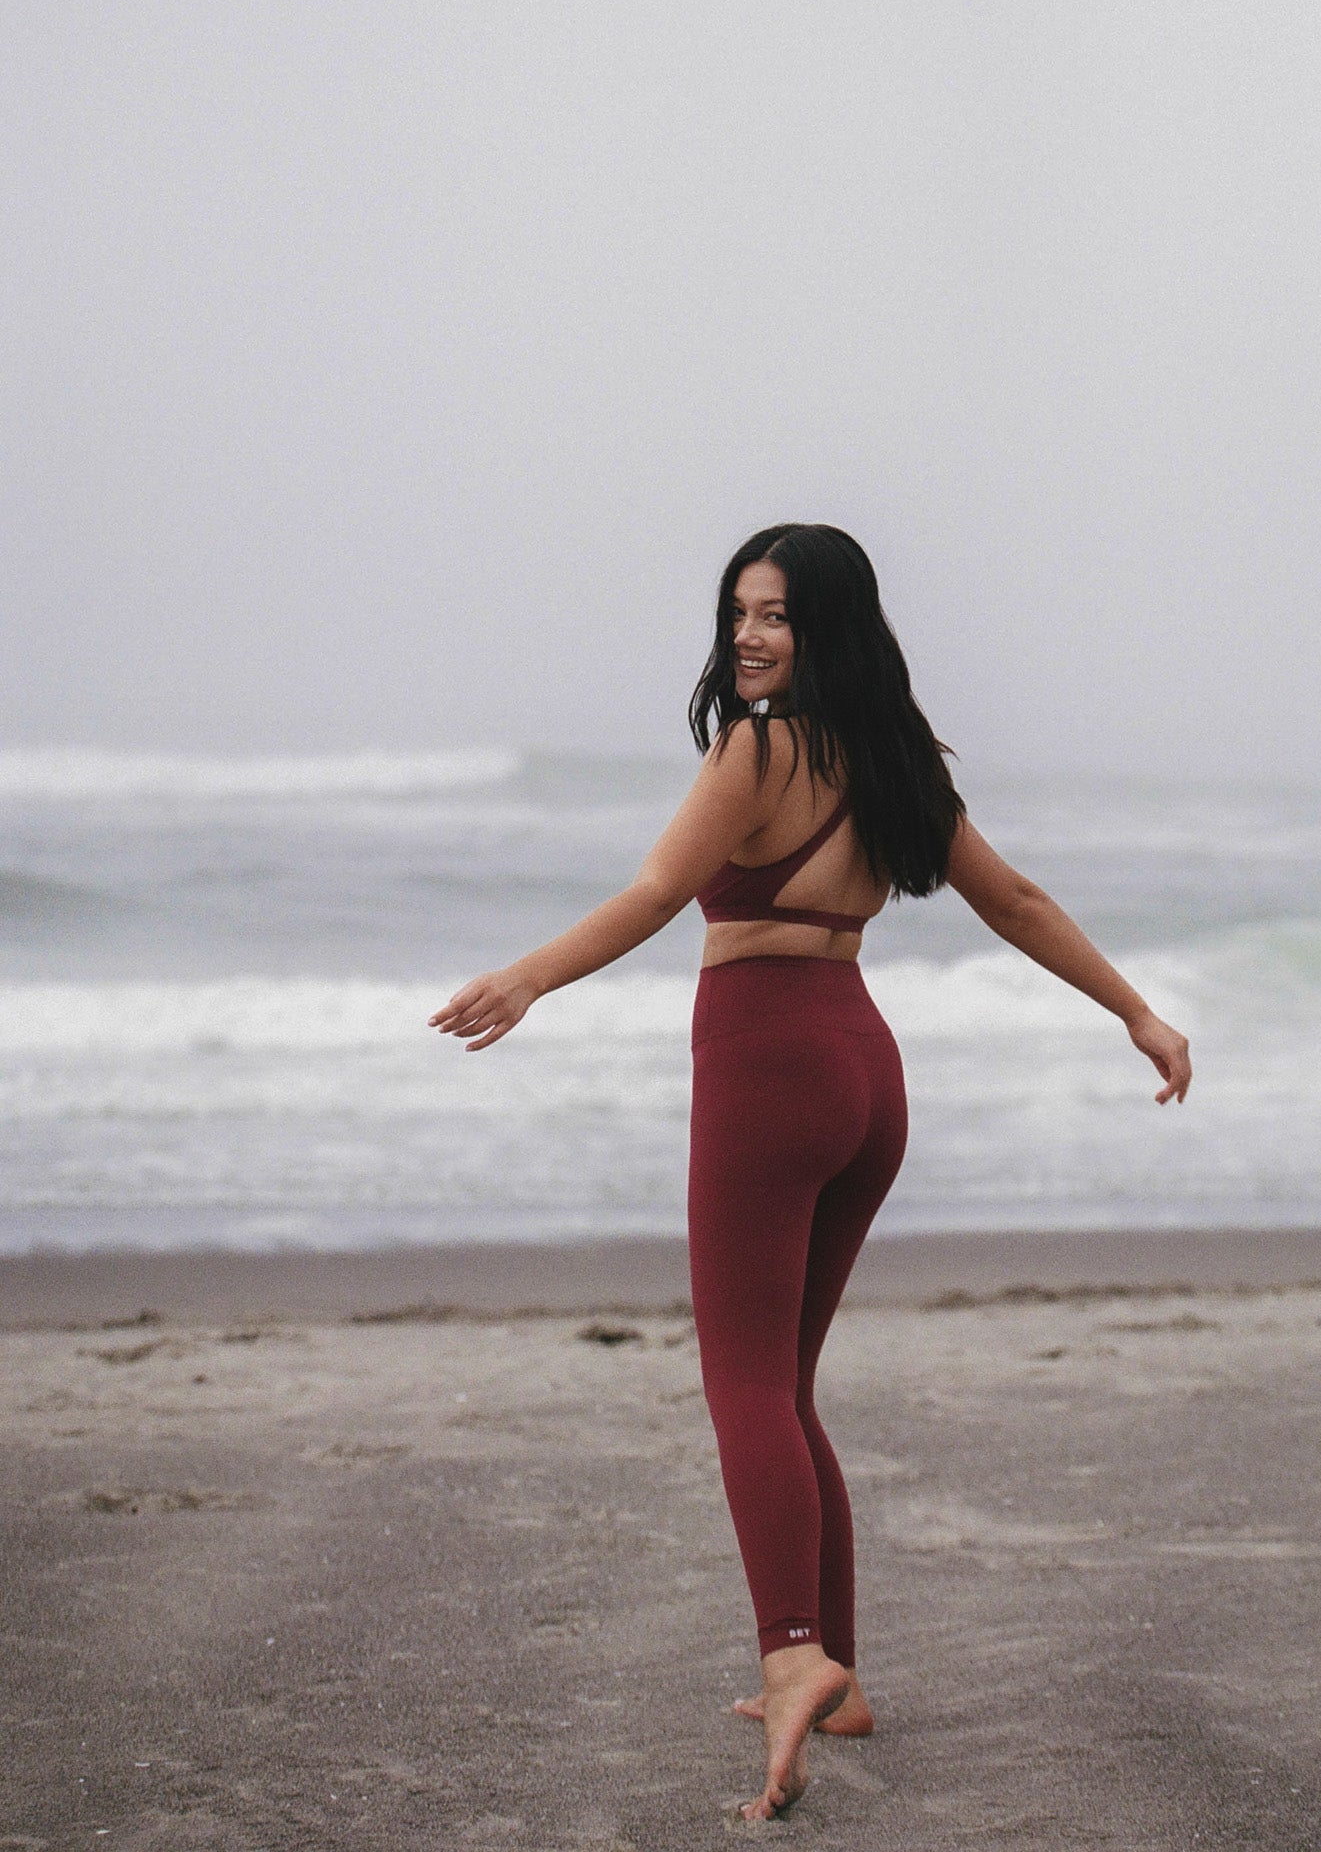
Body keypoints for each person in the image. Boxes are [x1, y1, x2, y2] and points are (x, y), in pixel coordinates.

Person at [430, 523, 1192, 1820]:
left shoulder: (759, 747)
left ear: (825, 623)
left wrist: (527, 976)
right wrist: (1137, 1009)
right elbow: (1015, 902)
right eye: (738, 611)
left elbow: (661, 889)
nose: (747, 636)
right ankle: (838, 1680)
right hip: (865, 1077)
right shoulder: (890, 756)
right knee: (785, 1386)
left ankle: (789, 1655)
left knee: (742, 1383)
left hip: (769, 1070)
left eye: (774, 614)